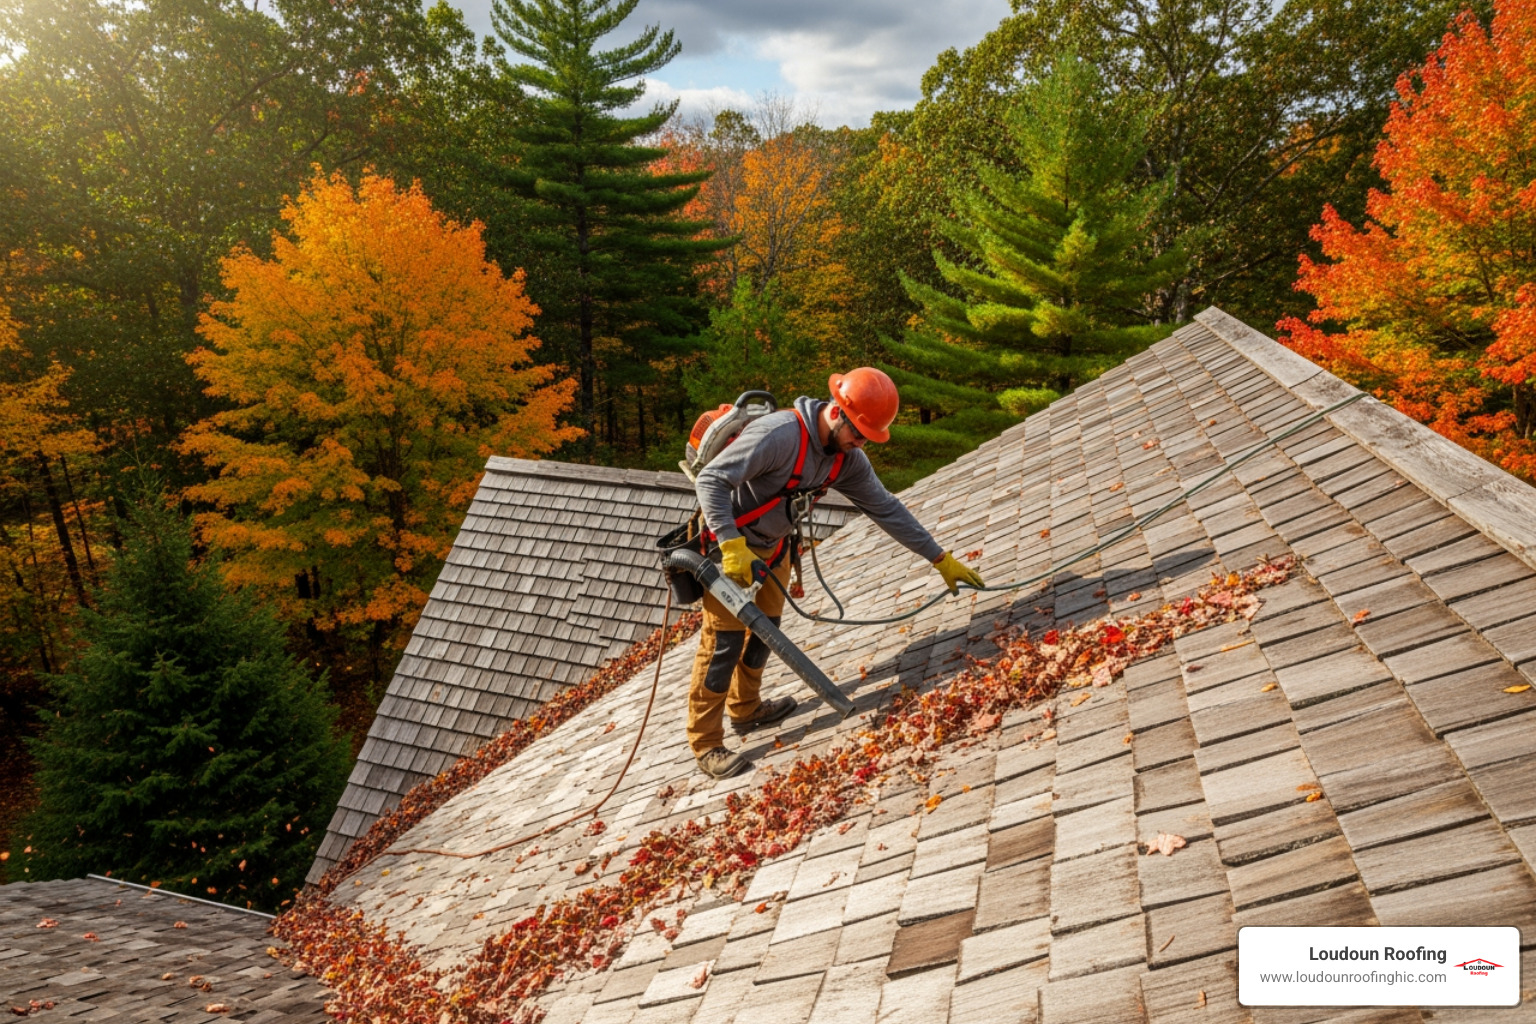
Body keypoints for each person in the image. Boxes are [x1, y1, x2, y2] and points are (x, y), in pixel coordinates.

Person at [688, 367, 985, 779]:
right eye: (859, 433)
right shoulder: (779, 436)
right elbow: (711, 479)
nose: (861, 444)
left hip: (773, 549)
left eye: (868, 438)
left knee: (766, 630)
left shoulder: (847, 460)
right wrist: (730, 543)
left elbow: (886, 508)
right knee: (723, 645)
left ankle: (746, 709)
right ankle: (705, 743)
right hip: (729, 549)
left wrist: (939, 558)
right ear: (837, 412)